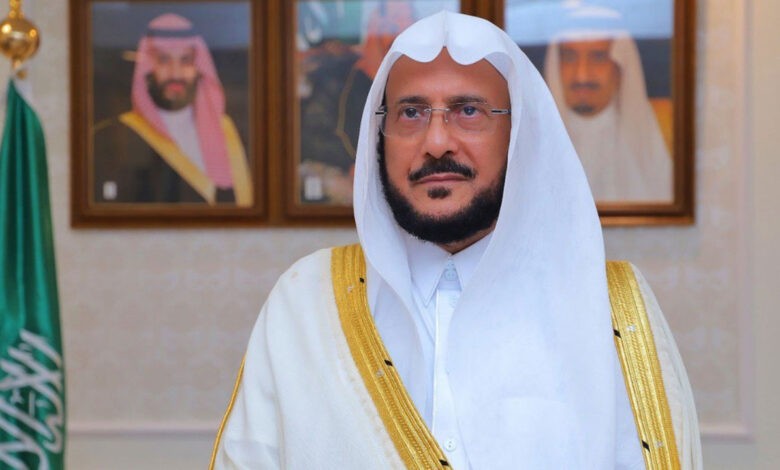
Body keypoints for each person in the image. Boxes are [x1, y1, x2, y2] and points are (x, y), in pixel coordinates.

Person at [211, 11, 701, 469]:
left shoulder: (612, 308)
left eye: (468, 110)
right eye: (411, 113)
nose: (437, 142)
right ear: (379, 135)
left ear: (519, 134)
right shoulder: (305, 301)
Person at [93, 13, 252, 206]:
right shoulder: (111, 137)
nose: (176, 73)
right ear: (148, 68)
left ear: (199, 67)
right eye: (164, 60)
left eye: (186, 60)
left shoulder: (231, 132)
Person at [544, 23, 673, 202]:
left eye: (598, 57)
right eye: (570, 58)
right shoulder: (530, 136)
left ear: (620, 67)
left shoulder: (659, 129)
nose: (582, 76)